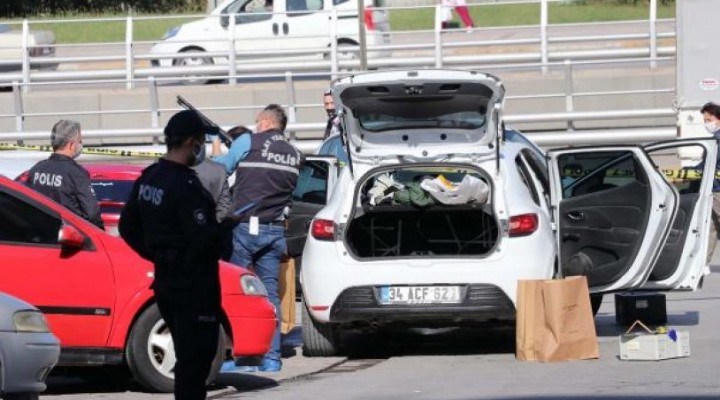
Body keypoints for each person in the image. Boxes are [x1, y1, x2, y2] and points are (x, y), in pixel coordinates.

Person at [119, 110, 239, 400]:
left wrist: (158, 254)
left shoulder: (150, 177)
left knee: (187, 359)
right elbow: (202, 240)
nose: (201, 148)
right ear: (190, 142)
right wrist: (224, 229)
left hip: (166, 281)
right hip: (193, 285)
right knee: (196, 362)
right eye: (200, 141)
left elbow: (127, 226)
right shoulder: (185, 185)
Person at [221, 105, 303, 373]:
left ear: (267, 121)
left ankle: (242, 358)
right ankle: (272, 357)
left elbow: (221, 169)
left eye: (258, 122)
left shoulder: (247, 141)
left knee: (240, 292)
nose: (255, 127)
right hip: (275, 230)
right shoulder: (295, 154)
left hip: (245, 228)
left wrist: (213, 152)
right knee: (270, 295)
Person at [25, 120, 104, 229]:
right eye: (79, 141)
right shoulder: (76, 173)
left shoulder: (36, 170)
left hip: (40, 237)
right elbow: (92, 213)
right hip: (69, 237)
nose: (80, 145)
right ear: (71, 145)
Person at [701, 102, 720, 255]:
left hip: (718, 189)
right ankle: (703, 263)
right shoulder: (715, 138)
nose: (707, 123)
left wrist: (684, 174)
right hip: (713, 188)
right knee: (711, 226)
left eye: (709, 120)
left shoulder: (718, 140)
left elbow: (708, 164)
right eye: (705, 121)